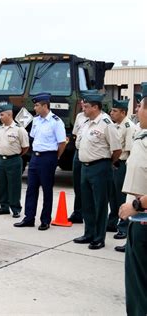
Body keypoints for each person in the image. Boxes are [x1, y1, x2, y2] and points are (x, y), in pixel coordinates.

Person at [73, 92, 121, 250]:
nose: (84, 109)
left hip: (100, 167)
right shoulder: (86, 122)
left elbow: (117, 150)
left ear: (95, 107)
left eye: (86, 106)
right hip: (85, 167)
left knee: (100, 204)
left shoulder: (106, 123)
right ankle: (89, 233)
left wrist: (107, 164)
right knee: (87, 204)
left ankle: (99, 238)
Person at [14, 93, 66, 230]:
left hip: (48, 157)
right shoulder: (36, 120)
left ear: (45, 106)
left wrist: (56, 157)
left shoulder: (56, 121)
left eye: (37, 105)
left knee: (47, 190)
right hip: (35, 158)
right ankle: (29, 218)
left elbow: (62, 143)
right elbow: (33, 138)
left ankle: (45, 220)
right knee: (31, 189)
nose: (35, 108)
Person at [118, 82, 147, 315]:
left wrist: (136, 205)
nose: (136, 110)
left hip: (143, 221)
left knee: (140, 293)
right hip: (139, 223)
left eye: (139, 106)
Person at [107, 99, 137, 243]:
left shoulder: (128, 126)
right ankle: (112, 222)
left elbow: (130, 150)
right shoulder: (115, 126)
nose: (111, 113)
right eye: (111, 110)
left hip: (123, 163)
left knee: (120, 196)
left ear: (123, 112)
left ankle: (123, 226)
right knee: (112, 194)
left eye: (115, 111)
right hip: (114, 163)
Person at [68, 90, 100, 224]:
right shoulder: (80, 117)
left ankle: (93, 215)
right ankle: (78, 212)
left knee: (92, 188)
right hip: (79, 153)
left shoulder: (102, 120)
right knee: (78, 185)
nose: (82, 103)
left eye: (85, 101)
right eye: (82, 101)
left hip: (92, 155)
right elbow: (76, 134)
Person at [0, 103, 29, 218]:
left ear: (9, 114)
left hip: (14, 160)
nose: (0, 117)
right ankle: (4, 207)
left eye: (2, 115)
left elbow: (25, 147)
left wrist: (15, 155)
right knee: (2, 184)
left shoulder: (19, 130)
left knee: (14, 185)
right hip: (1, 160)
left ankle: (16, 208)